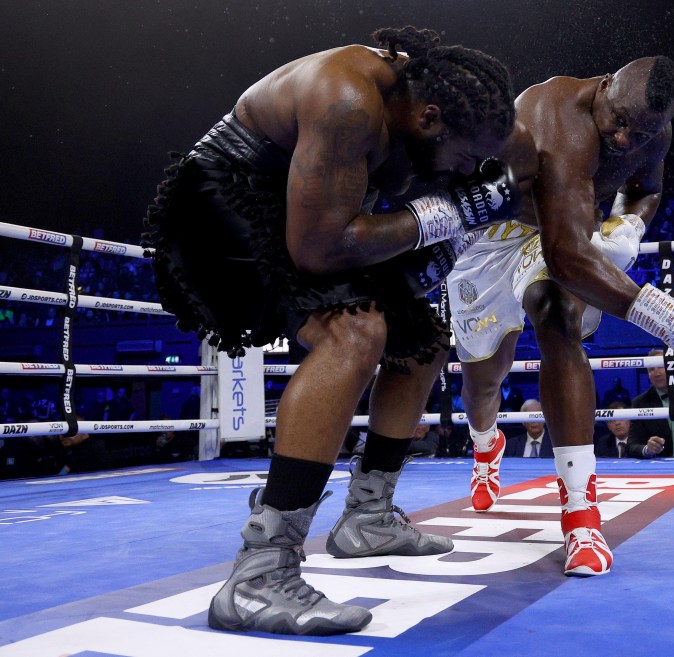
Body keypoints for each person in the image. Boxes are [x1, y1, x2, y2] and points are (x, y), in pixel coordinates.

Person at [143, 27, 520, 637]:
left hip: (315, 211)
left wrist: (449, 231)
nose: (468, 170)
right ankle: (260, 574)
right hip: (224, 201)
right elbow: (320, 248)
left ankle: (369, 517)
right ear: (429, 118)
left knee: (420, 340)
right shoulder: (348, 102)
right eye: (464, 155)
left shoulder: (435, 112)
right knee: (355, 333)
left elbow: (361, 220)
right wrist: (451, 213)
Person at [449, 57, 674, 577]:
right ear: (606, 87)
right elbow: (566, 255)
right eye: (620, 121)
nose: (626, 139)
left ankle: (581, 516)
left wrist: (630, 222)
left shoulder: (652, 128)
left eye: (642, 130)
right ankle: (486, 440)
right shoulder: (554, 115)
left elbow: (646, 186)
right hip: (490, 243)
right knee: (481, 385)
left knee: (558, 317)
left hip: (562, 236)